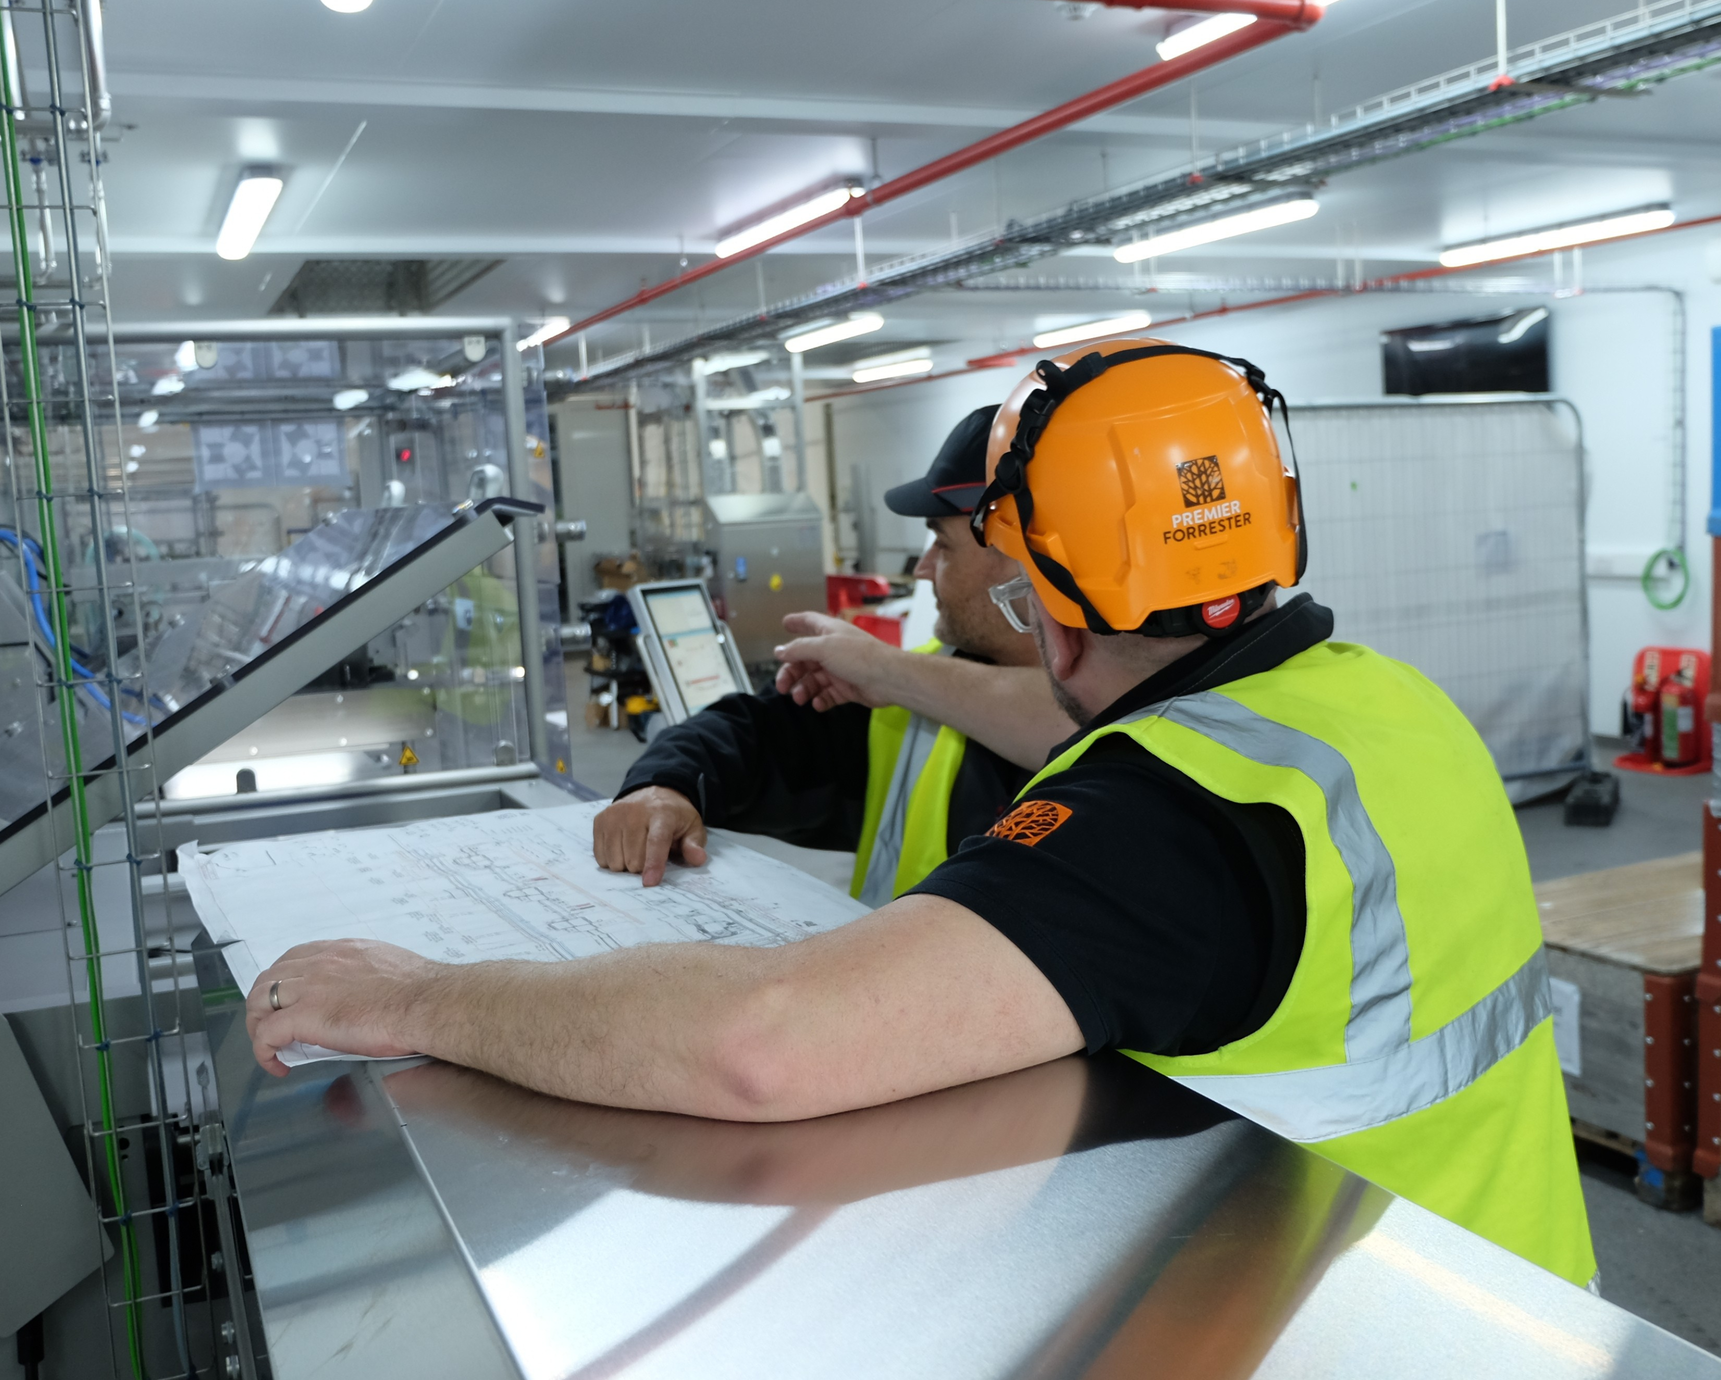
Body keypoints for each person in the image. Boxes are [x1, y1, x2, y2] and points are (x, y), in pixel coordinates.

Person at [245, 339, 1596, 1285]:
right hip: (1500, 1289)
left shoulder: (1174, 810)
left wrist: (414, 997)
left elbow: (761, 1046)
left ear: (1036, 590)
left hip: (1341, 1317)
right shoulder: (1378, 703)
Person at [592, 406, 1063, 902]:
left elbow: (1080, 728)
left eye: (942, 545)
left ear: (1022, 560)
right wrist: (662, 787)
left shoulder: (1116, 736)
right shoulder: (914, 690)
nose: (922, 569)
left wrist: (888, 669)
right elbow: (747, 733)